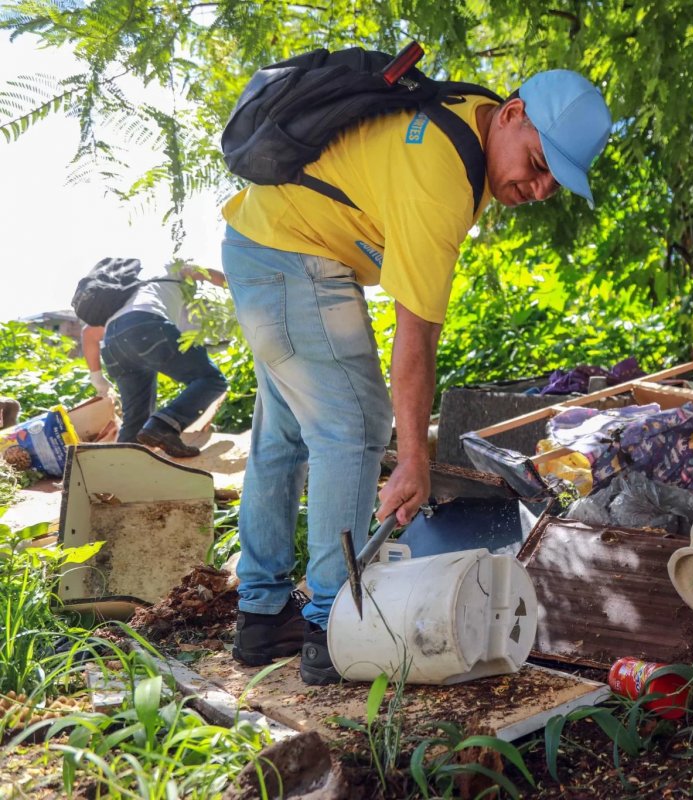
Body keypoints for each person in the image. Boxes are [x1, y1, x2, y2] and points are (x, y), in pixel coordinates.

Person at [222, 68, 612, 684]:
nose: (539, 189)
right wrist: (413, 460)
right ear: (511, 114)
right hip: (292, 251)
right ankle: (331, 623)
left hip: (265, 243)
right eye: (538, 164)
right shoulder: (442, 172)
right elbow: (417, 337)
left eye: (554, 182)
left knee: (287, 435)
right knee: (354, 425)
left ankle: (263, 613)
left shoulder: (472, 114)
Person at [82, 261, 230, 458]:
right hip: (146, 326)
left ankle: (121, 472)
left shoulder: (130, 294)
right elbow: (208, 273)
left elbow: (88, 333)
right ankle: (163, 426)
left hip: (113, 342)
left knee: (135, 421)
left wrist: (97, 377)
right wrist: (238, 287)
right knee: (211, 380)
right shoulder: (173, 268)